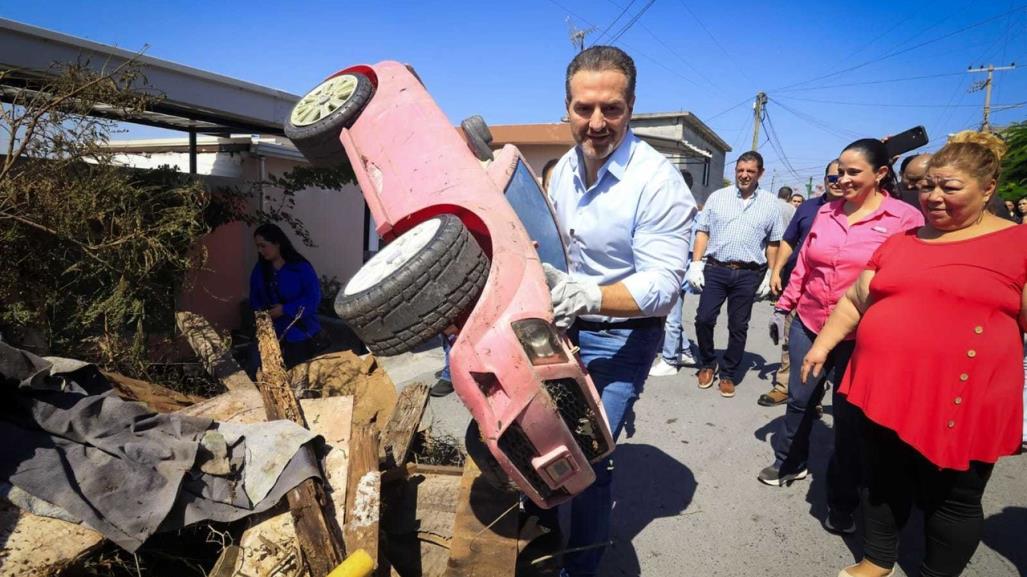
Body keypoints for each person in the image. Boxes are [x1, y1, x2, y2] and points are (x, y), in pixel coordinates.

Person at [801, 131, 1026, 577]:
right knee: (883, 482)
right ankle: (877, 559)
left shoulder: (1017, 245)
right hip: (883, 387)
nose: (934, 197)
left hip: (966, 395)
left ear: (988, 189)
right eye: (927, 187)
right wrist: (823, 345)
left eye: (950, 188)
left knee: (954, 496)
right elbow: (855, 299)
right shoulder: (903, 240)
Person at [540, 45, 695, 577]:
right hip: (564, 327)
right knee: (540, 439)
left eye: (612, 108)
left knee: (587, 459)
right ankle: (540, 534)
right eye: (584, 109)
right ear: (567, 107)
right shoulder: (562, 169)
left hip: (623, 337)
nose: (597, 122)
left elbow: (662, 285)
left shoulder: (657, 181)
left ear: (631, 107)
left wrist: (587, 294)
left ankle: (578, 568)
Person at [757, 140, 924, 538]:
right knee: (799, 398)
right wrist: (785, 305)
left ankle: (842, 499)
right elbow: (805, 264)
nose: (842, 180)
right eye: (838, 173)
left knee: (849, 420)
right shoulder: (825, 212)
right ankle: (790, 461)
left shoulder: (905, 218)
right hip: (811, 322)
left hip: (863, 335)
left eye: (853, 173)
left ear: (881, 174)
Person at [688, 151, 782, 397]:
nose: (744, 175)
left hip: (749, 273)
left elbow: (774, 242)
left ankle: (728, 372)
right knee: (704, 318)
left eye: (750, 171)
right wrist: (696, 263)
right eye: (740, 170)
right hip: (716, 269)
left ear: (760, 173)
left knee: (738, 326)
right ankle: (708, 363)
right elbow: (703, 231)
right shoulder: (718, 197)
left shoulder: (771, 203)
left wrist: (771, 272)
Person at [759, 159, 843, 407]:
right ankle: (784, 386)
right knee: (790, 339)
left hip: (834, 291)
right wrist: (775, 271)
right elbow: (788, 240)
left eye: (844, 176)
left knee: (826, 344)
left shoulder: (852, 210)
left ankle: (813, 394)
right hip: (797, 285)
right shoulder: (807, 208)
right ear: (825, 179)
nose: (838, 182)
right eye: (833, 177)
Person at [247, 223, 322, 377]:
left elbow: (313, 299)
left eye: (263, 245)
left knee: (299, 380)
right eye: (258, 247)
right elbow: (255, 298)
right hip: (271, 336)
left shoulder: (300, 268)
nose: (260, 251)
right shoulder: (260, 270)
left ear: (277, 243)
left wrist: (284, 309)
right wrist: (263, 315)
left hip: (299, 336)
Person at [650, 194, 701, 376]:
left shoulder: (685, 215)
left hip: (675, 272)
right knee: (672, 315)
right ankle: (685, 351)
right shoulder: (687, 213)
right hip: (674, 271)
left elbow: (687, 249)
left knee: (671, 318)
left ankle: (669, 360)